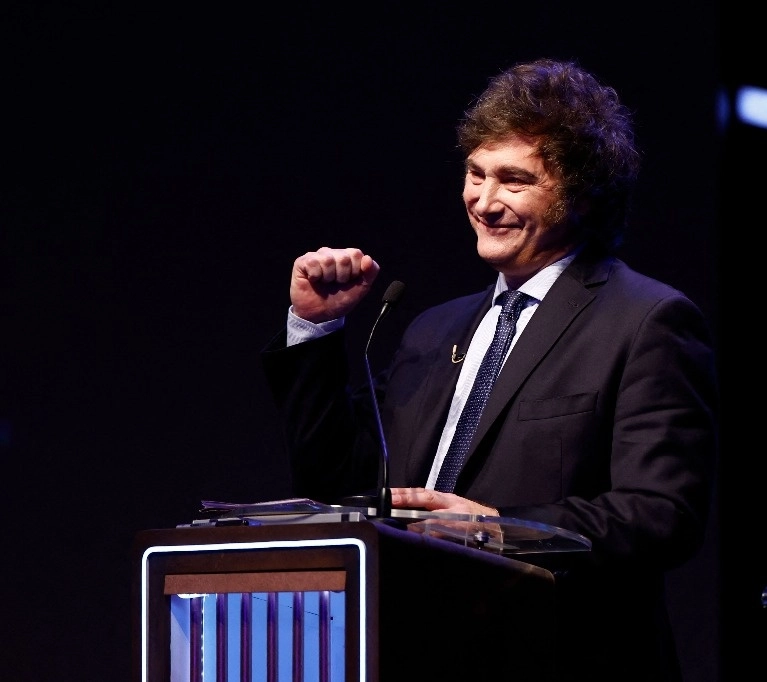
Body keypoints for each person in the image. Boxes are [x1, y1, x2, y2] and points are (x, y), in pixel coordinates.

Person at [261, 58, 719, 681]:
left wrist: (497, 530)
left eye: (514, 180)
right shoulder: (434, 329)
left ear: (581, 192)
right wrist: (315, 329)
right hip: (418, 647)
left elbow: (662, 515)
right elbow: (345, 487)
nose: (484, 200)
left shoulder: (647, 320)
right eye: (475, 174)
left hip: (561, 655)